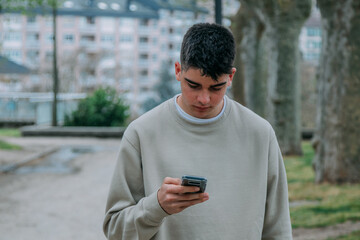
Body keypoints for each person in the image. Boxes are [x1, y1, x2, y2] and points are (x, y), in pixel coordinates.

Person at [103, 23, 292, 240]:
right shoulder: (141, 133)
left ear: (230, 77)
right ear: (177, 71)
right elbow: (115, 231)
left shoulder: (260, 134)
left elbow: (278, 229)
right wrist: (157, 206)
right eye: (193, 85)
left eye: (216, 88)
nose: (204, 99)